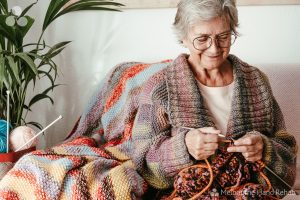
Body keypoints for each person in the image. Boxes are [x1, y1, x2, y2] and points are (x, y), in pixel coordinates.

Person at [131, 0, 297, 198]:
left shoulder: (256, 81)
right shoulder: (160, 86)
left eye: (223, 37)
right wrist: (182, 149)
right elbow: (142, 160)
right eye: (202, 39)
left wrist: (265, 149)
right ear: (183, 37)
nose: (214, 49)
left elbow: (287, 151)